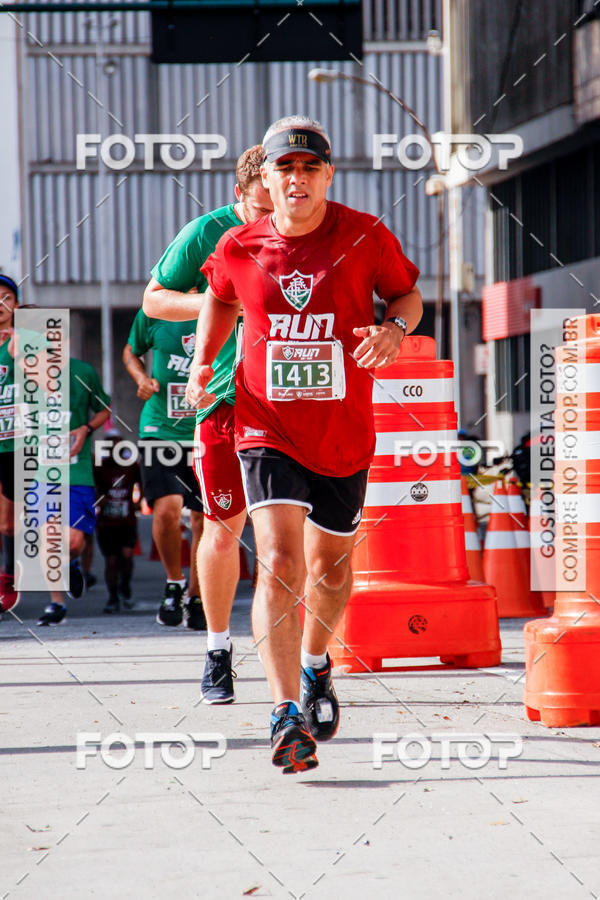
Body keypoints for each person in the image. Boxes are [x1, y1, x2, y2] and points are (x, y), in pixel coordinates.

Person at [186, 116, 422, 772]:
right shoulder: (238, 245)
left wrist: (394, 331)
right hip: (265, 424)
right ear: (265, 177)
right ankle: (285, 712)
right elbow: (219, 299)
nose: (296, 178)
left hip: (343, 429)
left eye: (309, 167)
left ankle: (318, 663)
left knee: (331, 569)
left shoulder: (365, 235)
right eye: (284, 168)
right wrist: (203, 363)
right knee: (281, 561)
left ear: (328, 175)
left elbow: (407, 294)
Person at [142, 144, 273, 699]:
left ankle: (293, 664)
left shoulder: (313, 227)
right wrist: (221, 303)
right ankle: (218, 651)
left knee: (285, 542)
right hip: (222, 400)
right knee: (222, 526)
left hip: (290, 404)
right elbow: (152, 301)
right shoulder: (209, 232)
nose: (274, 223)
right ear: (237, 197)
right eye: (260, 210)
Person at [123, 307, 205, 629]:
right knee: (167, 510)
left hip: (206, 428)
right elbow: (131, 349)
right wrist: (141, 377)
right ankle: (174, 583)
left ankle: (198, 596)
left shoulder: (223, 301)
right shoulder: (156, 306)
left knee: (203, 518)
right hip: (161, 428)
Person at [37, 356, 111, 625]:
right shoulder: (14, 372)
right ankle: (56, 603)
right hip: (37, 469)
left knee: (74, 541)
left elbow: (104, 409)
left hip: (75, 466)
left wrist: (86, 428)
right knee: (50, 537)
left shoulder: (82, 371)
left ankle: (69, 565)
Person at [93, 429, 142, 613]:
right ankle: (112, 597)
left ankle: (126, 589)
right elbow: (92, 487)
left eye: (118, 442)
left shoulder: (130, 465)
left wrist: (140, 500)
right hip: (107, 523)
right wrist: (99, 499)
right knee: (111, 561)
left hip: (127, 521)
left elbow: (141, 482)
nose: (115, 446)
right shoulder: (100, 466)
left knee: (128, 556)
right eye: (111, 442)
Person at [0, 275, 21, 616]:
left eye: (6, 298)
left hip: (15, 441)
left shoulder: (28, 339)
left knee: (7, 522)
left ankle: (7, 580)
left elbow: (52, 381)